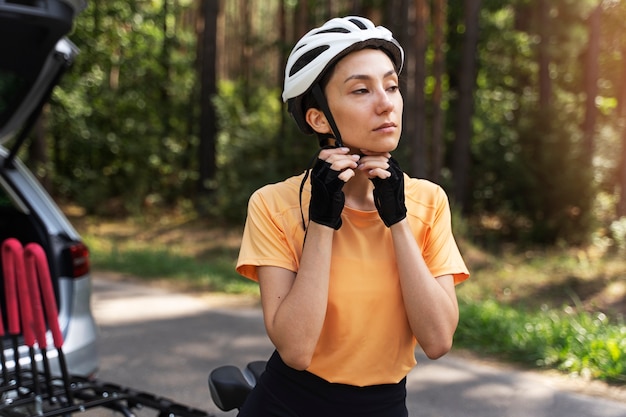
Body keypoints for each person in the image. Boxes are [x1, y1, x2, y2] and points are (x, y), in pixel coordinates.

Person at [235, 16, 469, 417]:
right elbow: (296, 349)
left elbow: (437, 341)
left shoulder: (428, 200)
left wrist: (397, 219)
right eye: (361, 89)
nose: (386, 102)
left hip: (386, 405)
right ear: (319, 118)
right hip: (287, 405)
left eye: (391, 86)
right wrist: (322, 221)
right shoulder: (273, 204)